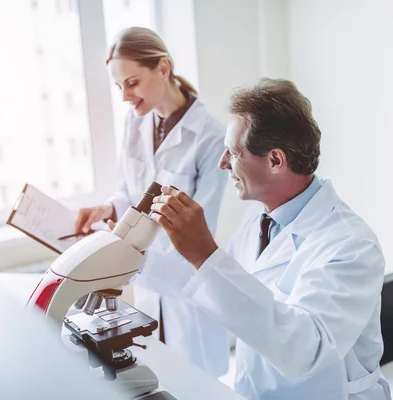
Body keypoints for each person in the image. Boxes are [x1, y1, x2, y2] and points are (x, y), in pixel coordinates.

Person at [147, 78, 391, 399]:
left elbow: (307, 350)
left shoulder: (351, 246)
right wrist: (135, 256)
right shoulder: (261, 220)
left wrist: (205, 252)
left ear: (276, 160)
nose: (223, 163)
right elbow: (225, 292)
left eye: (233, 153)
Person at [74, 27, 229, 376]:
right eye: (119, 87)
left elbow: (199, 234)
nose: (126, 96)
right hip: (147, 291)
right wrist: (109, 208)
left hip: (188, 292)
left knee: (196, 383)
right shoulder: (136, 121)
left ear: (162, 68)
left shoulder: (210, 138)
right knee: (158, 376)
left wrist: (131, 257)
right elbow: (130, 191)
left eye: (132, 83)